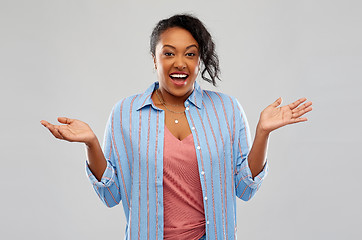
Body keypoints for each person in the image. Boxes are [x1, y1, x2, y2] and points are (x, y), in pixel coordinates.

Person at [41, 14, 312, 240]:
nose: (180, 63)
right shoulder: (125, 113)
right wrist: (91, 143)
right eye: (169, 53)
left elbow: (245, 188)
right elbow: (111, 195)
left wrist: (263, 132)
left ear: (199, 61)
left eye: (190, 54)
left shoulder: (227, 109)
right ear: (154, 59)